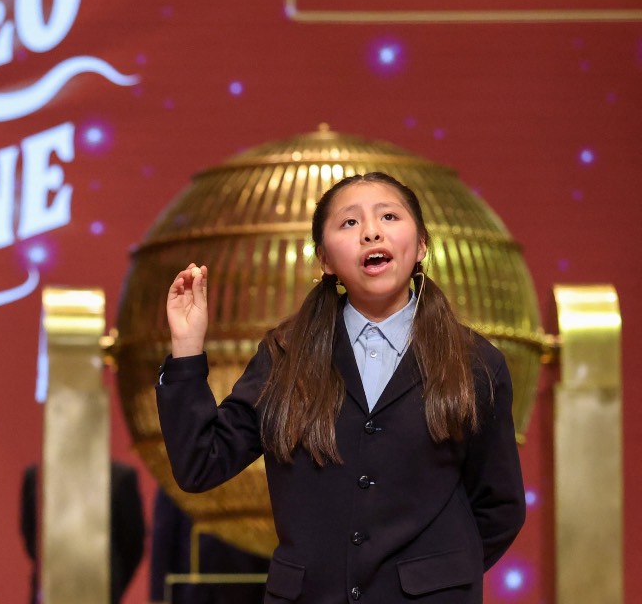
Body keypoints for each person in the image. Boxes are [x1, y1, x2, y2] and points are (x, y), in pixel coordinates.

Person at [157, 172, 525, 603]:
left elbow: (498, 506)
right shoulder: (285, 355)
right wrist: (185, 348)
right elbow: (202, 462)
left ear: (421, 244)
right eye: (349, 223)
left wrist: (438, 577)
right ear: (326, 260)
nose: (371, 231)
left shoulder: (475, 362)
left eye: (389, 216)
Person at [20, 460, 146, 604]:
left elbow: (133, 542)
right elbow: (32, 537)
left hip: (102, 587)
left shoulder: (121, 478)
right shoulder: (36, 477)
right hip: (51, 587)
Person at [149, 488, 267, 604]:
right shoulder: (173, 477)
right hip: (192, 587)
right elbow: (162, 534)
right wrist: (158, 595)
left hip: (246, 583)